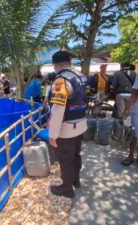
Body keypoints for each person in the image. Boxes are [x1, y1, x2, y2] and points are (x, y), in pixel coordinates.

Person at [48, 51, 88, 198]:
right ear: (69, 62)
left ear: (55, 65)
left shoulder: (61, 80)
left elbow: (58, 110)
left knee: (66, 158)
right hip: (81, 123)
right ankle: (76, 180)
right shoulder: (80, 75)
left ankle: (66, 188)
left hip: (67, 128)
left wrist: (53, 134)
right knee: (76, 154)